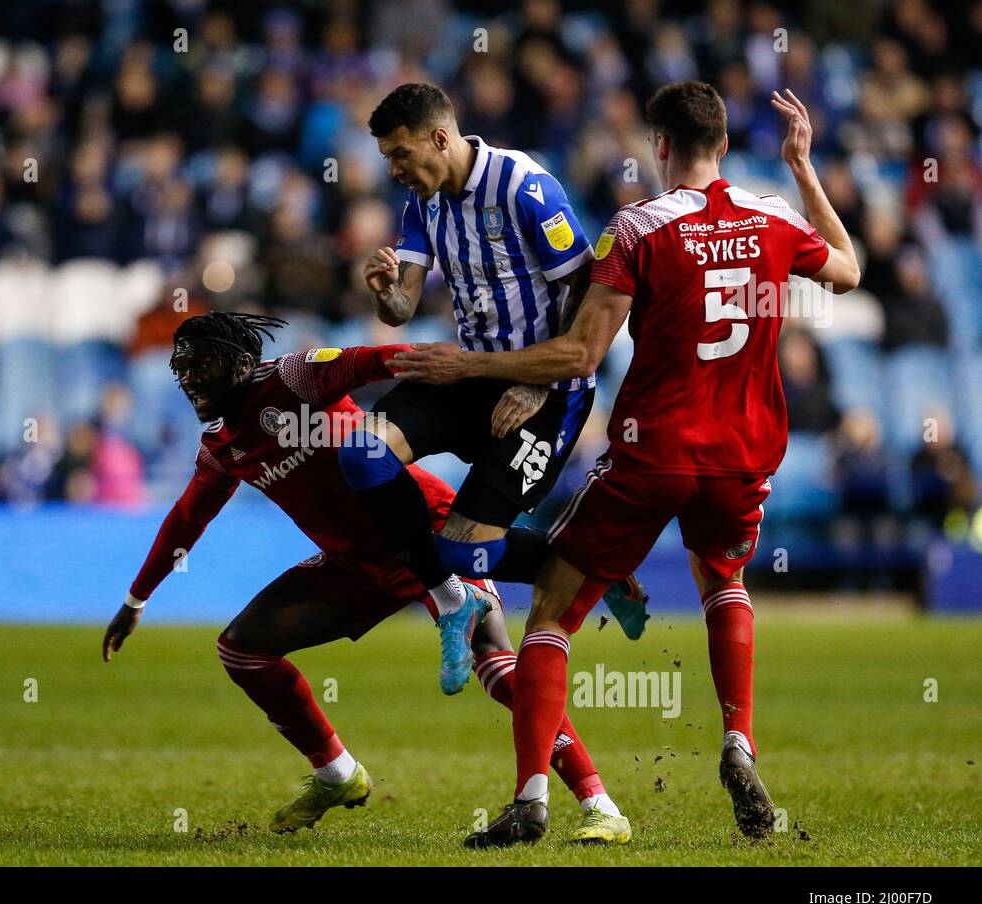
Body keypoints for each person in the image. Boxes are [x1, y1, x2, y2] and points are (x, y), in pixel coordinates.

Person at [391, 84, 861, 846]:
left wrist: (466, 366)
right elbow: (847, 270)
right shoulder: (776, 216)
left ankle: (533, 798)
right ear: (724, 143)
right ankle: (739, 742)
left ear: (661, 145)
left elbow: (581, 353)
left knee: (552, 609)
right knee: (725, 580)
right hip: (744, 454)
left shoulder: (637, 228)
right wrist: (804, 171)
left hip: (655, 451)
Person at [103, 311, 631, 842]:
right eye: (182, 368)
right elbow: (188, 518)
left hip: (428, 533)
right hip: (356, 567)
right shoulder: (220, 449)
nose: (190, 378)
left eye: (202, 364)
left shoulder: (296, 377)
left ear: (243, 362)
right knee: (242, 648)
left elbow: (385, 359)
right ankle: (336, 774)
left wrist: (495, 375)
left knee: (496, 667)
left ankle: (599, 804)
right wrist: (135, 598)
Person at [336, 82, 648, 699]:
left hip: (547, 391)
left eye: (400, 154)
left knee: (463, 550)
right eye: (386, 159)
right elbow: (404, 305)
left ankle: (596, 567)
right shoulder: (422, 204)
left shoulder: (524, 186)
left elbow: (586, 290)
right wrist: (385, 293)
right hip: (469, 373)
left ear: (440, 138)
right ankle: (451, 601)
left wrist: (539, 384)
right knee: (359, 452)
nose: (394, 170)